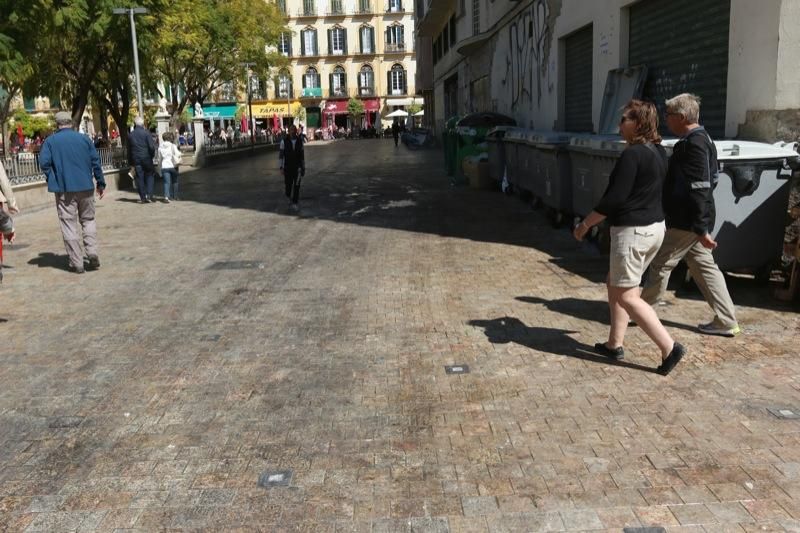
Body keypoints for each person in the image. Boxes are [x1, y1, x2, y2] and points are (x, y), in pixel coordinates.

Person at [573, 99, 686, 376]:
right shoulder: (658, 152)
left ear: (639, 123)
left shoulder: (632, 155)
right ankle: (615, 344)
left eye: (625, 119)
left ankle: (670, 347)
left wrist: (585, 224)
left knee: (627, 295)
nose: (619, 124)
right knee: (617, 283)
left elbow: (614, 199)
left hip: (633, 232)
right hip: (653, 229)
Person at [641, 93, 740, 337]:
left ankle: (642, 312)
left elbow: (701, 186)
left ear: (682, 117)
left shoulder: (694, 144)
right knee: (703, 267)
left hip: (688, 221)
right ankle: (727, 320)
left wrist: (700, 227)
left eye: (669, 115)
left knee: (661, 263)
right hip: (694, 220)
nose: (666, 120)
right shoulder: (701, 139)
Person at [39, 111, 106, 274]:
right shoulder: (84, 139)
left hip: (64, 189)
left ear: (57, 124)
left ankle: (77, 263)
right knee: (88, 220)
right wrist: (100, 183)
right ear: (71, 123)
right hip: (86, 186)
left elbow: (44, 163)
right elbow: (95, 162)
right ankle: (92, 252)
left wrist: (52, 178)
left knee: (69, 224)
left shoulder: (50, 141)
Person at [128, 116, 156, 203]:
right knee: (150, 175)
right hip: (147, 158)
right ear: (142, 123)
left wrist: (130, 162)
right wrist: (152, 156)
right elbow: (151, 147)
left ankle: (143, 197)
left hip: (136, 159)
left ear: (135, 123)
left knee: (139, 178)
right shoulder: (146, 133)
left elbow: (128, 149)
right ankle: (149, 195)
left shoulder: (131, 135)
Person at [279, 125, 305, 211]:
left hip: (298, 168)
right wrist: (281, 167)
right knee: (288, 185)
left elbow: (302, 156)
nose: (293, 132)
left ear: (296, 131)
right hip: (287, 167)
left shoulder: (300, 141)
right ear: (288, 131)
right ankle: (288, 196)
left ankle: (295, 202)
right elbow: (281, 155)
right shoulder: (284, 141)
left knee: (297, 186)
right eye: (291, 130)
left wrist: (303, 167)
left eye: (294, 130)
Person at [158, 132, 182, 202]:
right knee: (175, 181)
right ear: (170, 138)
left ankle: (166, 197)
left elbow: (159, 158)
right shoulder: (173, 146)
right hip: (173, 166)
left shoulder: (160, 147)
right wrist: (180, 153)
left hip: (164, 166)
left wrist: (159, 167)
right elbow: (178, 154)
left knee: (166, 182)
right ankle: (175, 196)